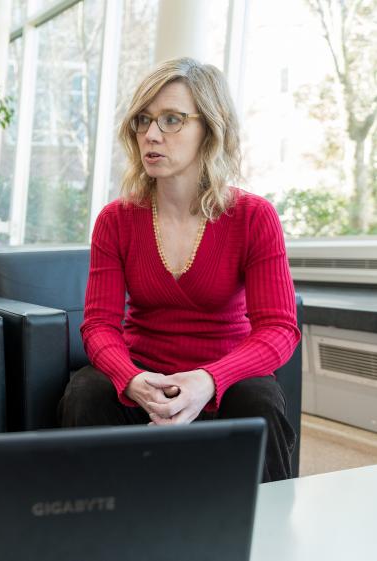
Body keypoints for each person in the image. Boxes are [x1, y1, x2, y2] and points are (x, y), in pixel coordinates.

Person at [58, 57, 299, 482]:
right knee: (85, 392)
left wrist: (209, 380)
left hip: (225, 383)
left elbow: (279, 329)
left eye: (172, 120)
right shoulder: (116, 219)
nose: (151, 135)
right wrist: (132, 380)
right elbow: (98, 325)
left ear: (210, 128)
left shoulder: (253, 216)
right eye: (144, 120)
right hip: (143, 379)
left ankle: (266, 538)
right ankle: (90, 531)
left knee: (259, 402)